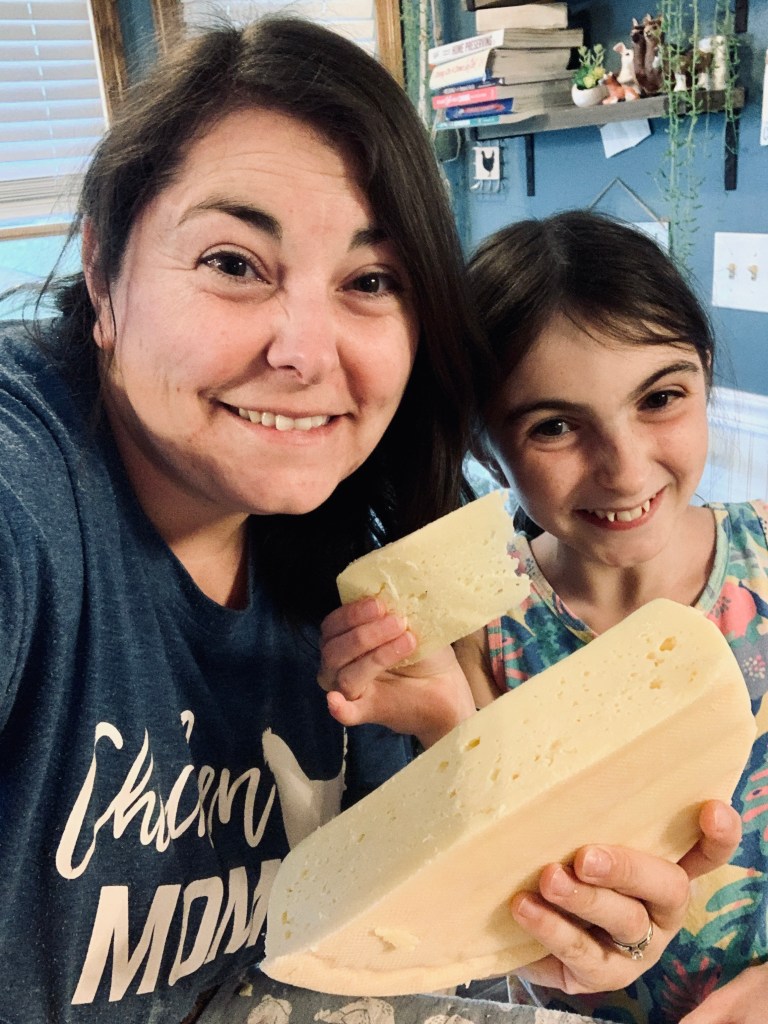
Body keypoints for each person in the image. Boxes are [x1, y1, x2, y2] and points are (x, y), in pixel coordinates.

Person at [0, 16, 739, 1020]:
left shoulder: (370, 590)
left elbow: (389, 936)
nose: (305, 350)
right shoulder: (31, 494)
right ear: (101, 269)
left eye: (370, 280)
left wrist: (549, 933)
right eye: (233, 260)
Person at [322, 209, 765, 1024]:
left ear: (705, 376)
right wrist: (447, 725)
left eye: (661, 397)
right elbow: (502, 898)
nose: (625, 468)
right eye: (556, 426)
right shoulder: (481, 634)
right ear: (492, 451)